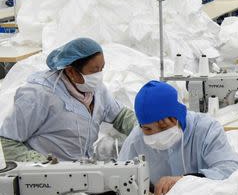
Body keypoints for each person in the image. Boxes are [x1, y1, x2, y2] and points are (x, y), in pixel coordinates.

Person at [0, 38, 136, 162]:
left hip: (82, 169)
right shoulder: (39, 95)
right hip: (47, 178)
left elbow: (121, 116)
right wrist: (42, 165)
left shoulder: (97, 89)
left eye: (102, 68)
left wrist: (142, 128)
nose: (99, 75)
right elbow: (7, 142)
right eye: (94, 70)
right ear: (70, 71)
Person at [119, 81, 238, 195]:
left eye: (163, 127)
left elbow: (230, 169)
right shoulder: (136, 140)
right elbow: (120, 177)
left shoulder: (206, 130)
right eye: (148, 129)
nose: (156, 134)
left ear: (179, 117)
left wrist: (185, 180)